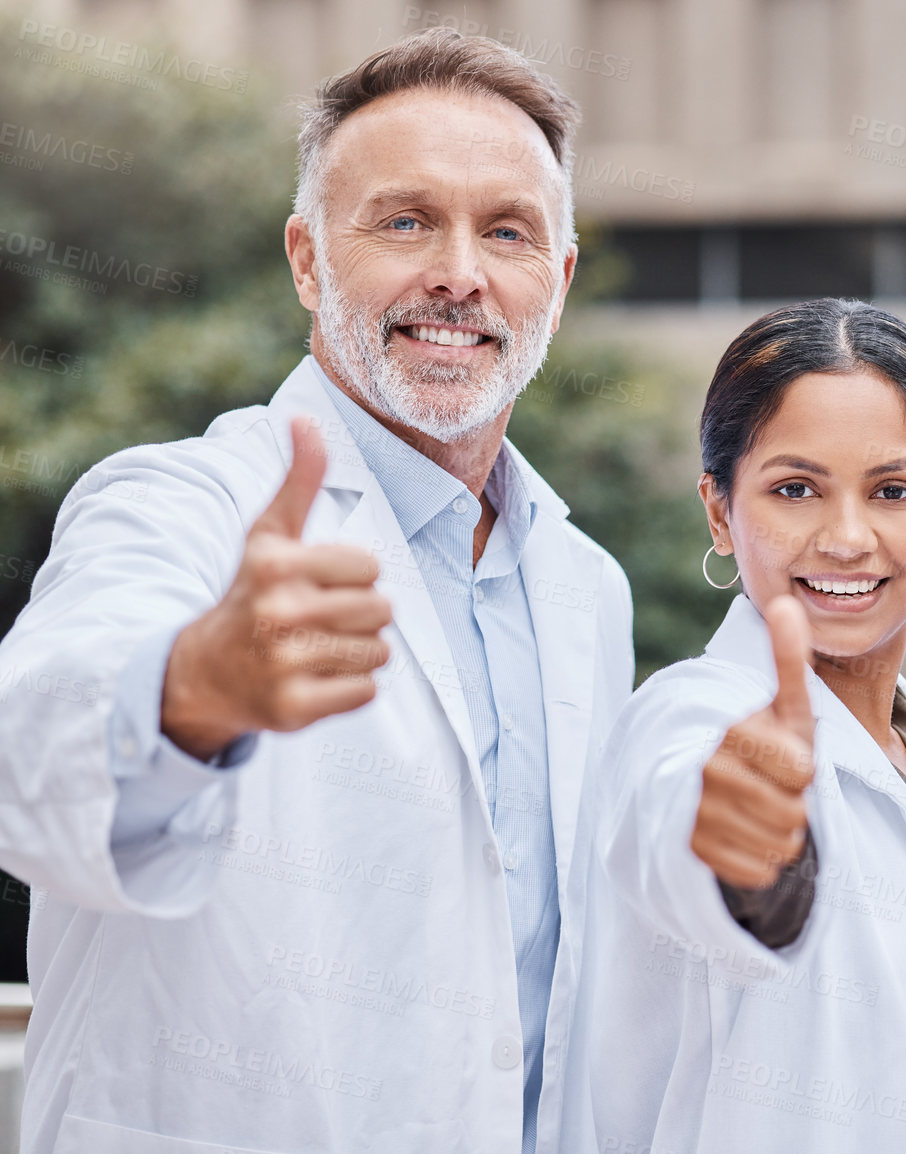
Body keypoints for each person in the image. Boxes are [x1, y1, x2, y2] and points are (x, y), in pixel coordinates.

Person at [0, 29, 633, 1153]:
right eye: (404, 220)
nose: (459, 272)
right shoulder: (175, 506)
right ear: (306, 259)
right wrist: (191, 688)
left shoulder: (588, 588)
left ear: (560, 278)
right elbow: (29, 735)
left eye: (507, 230)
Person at [563, 298, 906, 1154]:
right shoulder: (688, 721)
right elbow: (685, 833)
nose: (846, 538)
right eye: (794, 489)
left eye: (893, 490)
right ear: (720, 512)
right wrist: (744, 853)